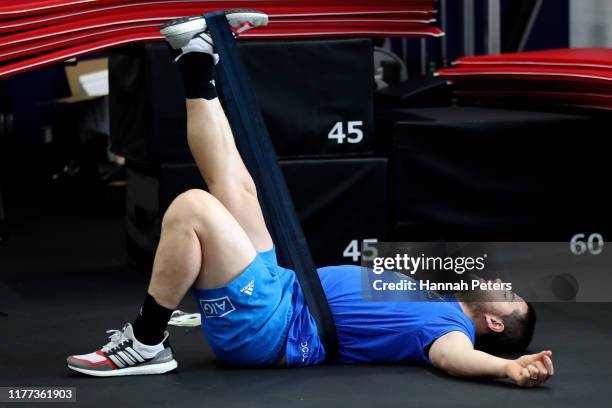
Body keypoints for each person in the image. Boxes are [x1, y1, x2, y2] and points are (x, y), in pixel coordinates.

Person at [67, 10, 554, 388]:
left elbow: (456, 361)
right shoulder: (435, 298)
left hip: (272, 330)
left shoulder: (452, 331)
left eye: (509, 297)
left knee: (194, 206)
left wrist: (508, 370)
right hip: (283, 291)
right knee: (233, 183)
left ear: (493, 321)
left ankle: (148, 340)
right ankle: (195, 56)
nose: (503, 283)